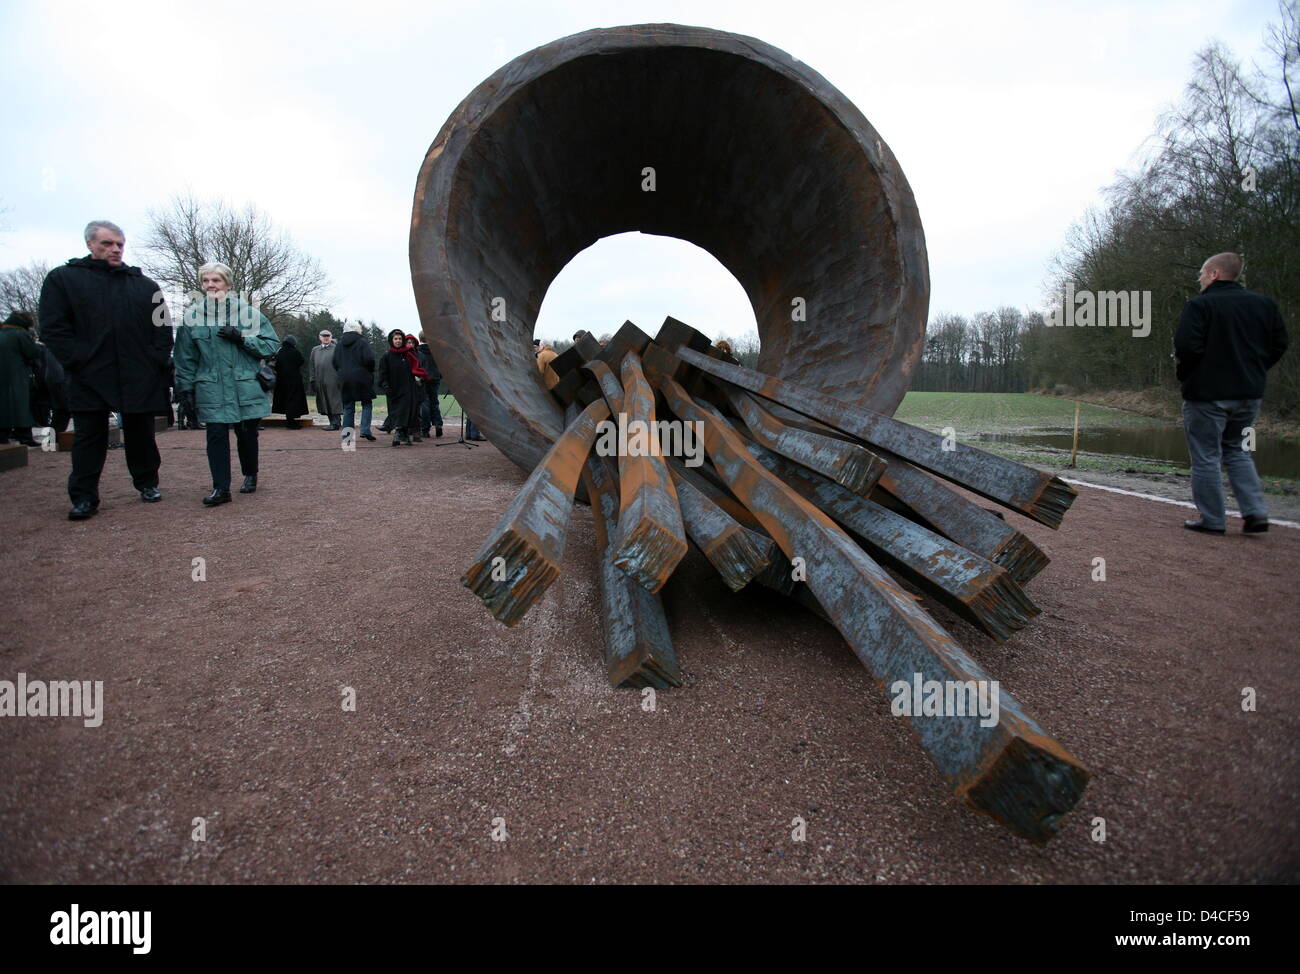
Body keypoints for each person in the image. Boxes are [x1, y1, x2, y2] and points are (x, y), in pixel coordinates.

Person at [39, 220, 173, 520]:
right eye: (107, 244)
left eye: (119, 244)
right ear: (90, 244)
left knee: (141, 434)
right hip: (89, 373)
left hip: (138, 371)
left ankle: (148, 483)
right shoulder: (63, 279)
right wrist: (76, 360)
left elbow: (163, 328)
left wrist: (156, 360)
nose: (115, 249)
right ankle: (85, 497)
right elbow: (53, 328)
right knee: (89, 436)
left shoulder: (145, 285)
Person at [1174, 252, 1289, 535]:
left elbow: (1187, 348)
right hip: (1248, 392)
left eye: (1202, 273)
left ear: (1214, 274)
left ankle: (1213, 519)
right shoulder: (1264, 305)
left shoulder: (1200, 306)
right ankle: (1255, 512)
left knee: (1206, 456)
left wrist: (1187, 375)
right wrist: (1256, 370)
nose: (1199, 279)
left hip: (1207, 394)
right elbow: (1279, 343)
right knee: (1237, 451)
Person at [173, 262, 281, 506]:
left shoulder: (249, 314)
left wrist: (242, 338)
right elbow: (185, 358)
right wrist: (185, 390)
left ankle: (250, 473)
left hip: (245, 385)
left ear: (229, 285)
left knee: (247, 434)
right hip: (211, 385)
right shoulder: (192, 318)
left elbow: (272, 345)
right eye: (206, 281)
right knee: (215, 435)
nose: (211, 285)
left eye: (216, 280)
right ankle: (221, 488)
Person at [376, 329, 421, 446]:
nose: (398, 341)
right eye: (395, 339)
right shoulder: (387, 356)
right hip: (393, 389)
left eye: (400, 339)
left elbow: (416, 367)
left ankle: (401, 433)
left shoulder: (408, 354)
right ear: (391, 340)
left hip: (408, 388)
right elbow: (382, 372)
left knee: (407, 411)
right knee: (397, 412)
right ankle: (401, 433)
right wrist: (385, 384)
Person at [0, 311, 40, 445]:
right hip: (17, 375)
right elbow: (33, 352)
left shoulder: (2, 333)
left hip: (3, 376)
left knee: (3, 406)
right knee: (21, 405)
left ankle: (3, 435)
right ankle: (24, 435)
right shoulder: (21, 334)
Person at [333, 321, 376, 441]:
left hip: (345, 378)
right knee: (366, 404)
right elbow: (369, 359)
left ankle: (347, 435)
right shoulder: (362, 342)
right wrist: (370, 370)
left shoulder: (339, 344)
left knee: (348, 406)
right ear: (357, 329)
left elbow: (334, 362)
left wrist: (342, 372)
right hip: (362, 377)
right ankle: (365, 430)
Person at [308, 329, 343, 429]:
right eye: (324, 336)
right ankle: (333, 422)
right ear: (320, 337)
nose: (326, 337)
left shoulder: (336, 348)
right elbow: (311, 365)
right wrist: (312, 379)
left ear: (331, 337)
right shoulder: (315, 350)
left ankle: (336, 423)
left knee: (334, 401)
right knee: (324, 402)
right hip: (319, 380)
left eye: (328, 336)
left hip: (333, 380)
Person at [272, 335, 308, 428]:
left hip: (281, 380)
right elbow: (301, 361)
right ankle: (291, 422)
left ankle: (289, 420)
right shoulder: (295, 352)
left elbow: (276, 365)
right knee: (293, 400)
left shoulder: (280, 352)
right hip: (294, 380)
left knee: (284, 399)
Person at [417, 332, 443, 438]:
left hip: (423, 379)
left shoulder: (418, 351)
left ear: (420, 339)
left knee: (425, 404)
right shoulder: (436, 351)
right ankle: (438, 424)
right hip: (435, 378)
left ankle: (425, 429)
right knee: (434, 402)